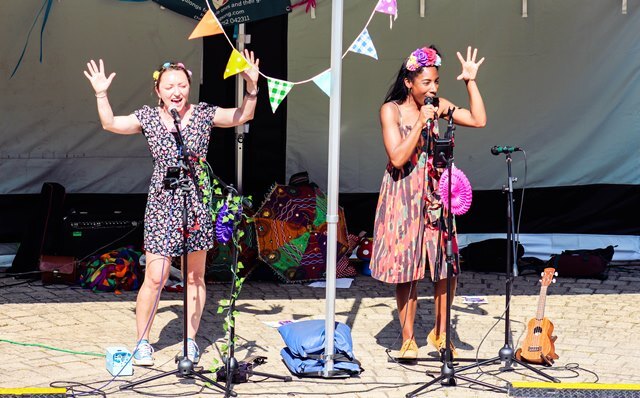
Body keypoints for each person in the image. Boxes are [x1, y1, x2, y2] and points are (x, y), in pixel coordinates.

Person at [83, 50, 260, 366]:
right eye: (169, 87)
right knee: (156, 275)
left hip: (196, 199)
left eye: (181, 85)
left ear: (189, 86)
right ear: (158, 91)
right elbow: (110, 123)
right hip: (164, 200)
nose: (176, 92)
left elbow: (242, 116)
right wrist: (101, 93)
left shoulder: (204, 114)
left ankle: (190, 342)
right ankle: (142, 343)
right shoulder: (149, 118)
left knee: (195, 277)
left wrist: (251, 88)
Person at [370, 45, 486, 360]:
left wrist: (470, 82)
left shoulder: (440, 106)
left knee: (445, 265)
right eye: (426, 83)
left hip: (436, 195)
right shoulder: (391, 110)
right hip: (403, 196)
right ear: (409, 82)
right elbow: (397, 158)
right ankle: (408, 339)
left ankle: (440, 332)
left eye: (436, 82)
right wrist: (422, 121)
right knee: (407, 267)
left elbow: (478, 120)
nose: (433, 89)